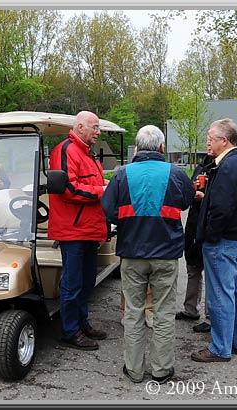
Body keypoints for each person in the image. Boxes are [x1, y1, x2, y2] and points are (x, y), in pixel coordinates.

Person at [101, 125, 194, 384]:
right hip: (166, 253)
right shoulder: (176, 173)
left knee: (134, 311)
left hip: (132, 253)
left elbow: (108, 210)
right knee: (163, 312)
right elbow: (186, 201)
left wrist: (129, 222)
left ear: (137, 148)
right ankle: (162, 369)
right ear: (162, 148)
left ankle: (134, 369)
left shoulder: (122, 174)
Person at [191, 118, 237, 363]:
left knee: (220, 295)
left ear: (224, 140)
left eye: (211, 137)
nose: (208, 141)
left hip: (224, 240)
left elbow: (221, 208)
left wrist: (209, 236)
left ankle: (220, 347)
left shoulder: (228, 166)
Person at [48, 110, 109, 351]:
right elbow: (69, 190)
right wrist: (103, 190)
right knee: (73, 283)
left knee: (86, 281)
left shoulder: (89, 154)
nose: (98, 131)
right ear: (80, 127)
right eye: (95, 127)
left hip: (89, 229)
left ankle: (82, 323)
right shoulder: (65, 150)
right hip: (73, 231)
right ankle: (70, 330)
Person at [175, 149, 216, 334]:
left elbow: (222, 199)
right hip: (194, 221)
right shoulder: (202, 165)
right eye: (207, 142)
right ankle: (190, 309)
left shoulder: (222, 167)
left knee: (210, 272)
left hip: (209, 223)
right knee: (192, 267)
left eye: (211, 141)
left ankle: (210, 317)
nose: (208, 145)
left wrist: (204, 196)